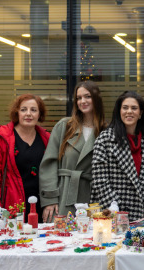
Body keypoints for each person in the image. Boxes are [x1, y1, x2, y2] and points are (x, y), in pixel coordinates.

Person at [40, 81, 106, 222]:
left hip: (93, 199)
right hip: (64, 196)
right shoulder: (64, 126)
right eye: (79, 98)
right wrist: (50, 199)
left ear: (96, 99)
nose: (83, 101)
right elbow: (49, 164)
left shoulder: (105, 131)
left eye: (87, 96)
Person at [0, 94, 50, 218]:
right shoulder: (1, 137)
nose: (28, 114)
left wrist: (51, 201)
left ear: (39, 114)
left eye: (33, 110)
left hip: (41, 206)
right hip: (10, 206)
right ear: (17, 113)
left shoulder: (47, 139)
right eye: (23, 110)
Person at [90, 92, 144, 221]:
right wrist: (115, 209)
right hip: (110, 211)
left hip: (138, 213)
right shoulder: (105, 139)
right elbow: (99, 180)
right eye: (125, 107)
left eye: (134, 108)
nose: (129, 111)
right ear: (119, 111)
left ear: (140, 113)